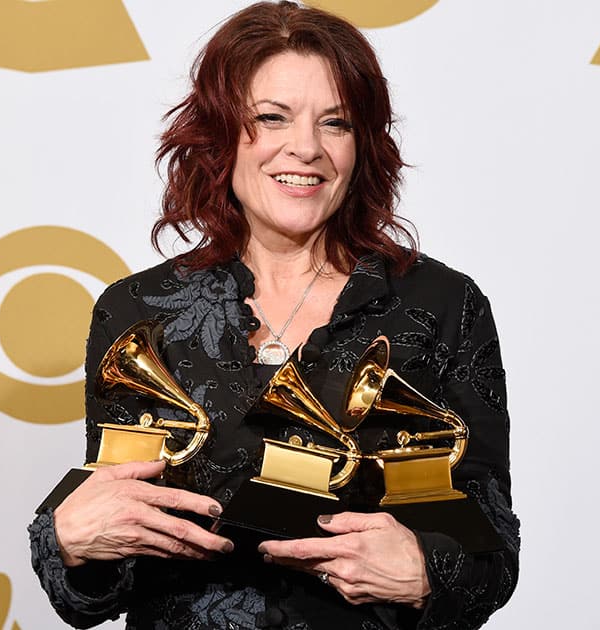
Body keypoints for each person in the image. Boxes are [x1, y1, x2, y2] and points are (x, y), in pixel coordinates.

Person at [28, 2, 519, 628]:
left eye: (335, 123)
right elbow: (95, 587)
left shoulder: (442, 305)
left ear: (362, 145)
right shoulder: (137, 312)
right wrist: (69, 545)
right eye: (271, 118)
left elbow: (493, 556)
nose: (306, 148)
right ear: (220, 134)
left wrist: (426, 571)